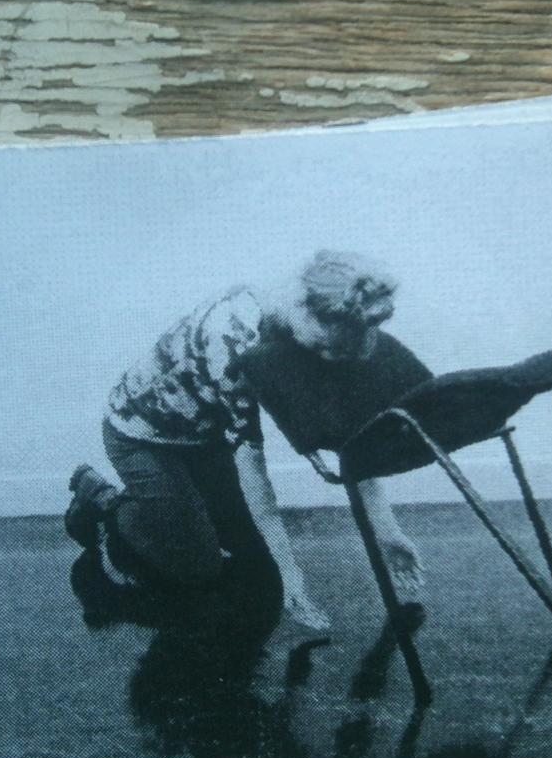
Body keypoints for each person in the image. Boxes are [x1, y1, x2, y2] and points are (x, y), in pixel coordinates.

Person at [65, 251, 424, 631]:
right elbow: (254, 470)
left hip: (205, 438)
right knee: (198, 567)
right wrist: (289, 572)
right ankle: (104, 501)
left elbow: (350, 436)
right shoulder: (235, 341)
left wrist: (387, 530)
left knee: (254, 554)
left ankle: (174, 507)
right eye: (322, 349)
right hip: (143, 438)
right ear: (304, 310)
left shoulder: (305, 322)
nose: (326, 359)